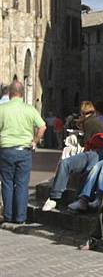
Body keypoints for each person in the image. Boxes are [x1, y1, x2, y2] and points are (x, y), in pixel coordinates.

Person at [42, 101, 103, 211]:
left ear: (82, 112)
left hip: (94, 152)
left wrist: (79, 131)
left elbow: (86, 141)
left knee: (66, 163)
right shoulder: (95, 121)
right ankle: (75, 200)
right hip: (94, 152)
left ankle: (55, 197)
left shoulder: (88, 123)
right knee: (69, 164)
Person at [0, 81, 46, 223]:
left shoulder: (2, 109)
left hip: (6, 149)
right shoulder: (29, 109)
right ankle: (20, 217)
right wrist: (35, 141)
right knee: (21, 184)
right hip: (24, 151)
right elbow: (42, 126)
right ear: (21, 93)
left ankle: (8, 216)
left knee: (7, 183)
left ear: (10, 93)